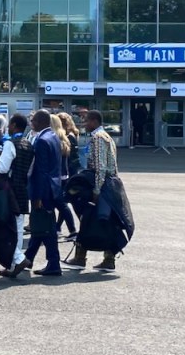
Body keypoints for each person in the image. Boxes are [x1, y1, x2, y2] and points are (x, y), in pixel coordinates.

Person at [64, 108, 122, 271]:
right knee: (107, 222)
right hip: (110, 185)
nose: (84, 124)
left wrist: (96, 190)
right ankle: (109, 259)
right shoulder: (107, 137)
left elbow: (100, 166)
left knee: (88, 219)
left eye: (87, 120)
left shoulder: (98, 138)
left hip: (100, 186)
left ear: (95, 121)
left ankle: (80, 258)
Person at [23, 109, 63, 276]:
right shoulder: (53, 137)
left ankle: (53, 263)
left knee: (46, 228)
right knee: (41, 225)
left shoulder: (41, 140)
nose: (31, 124)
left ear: (40, 122)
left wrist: (38, 196)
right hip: (53, 187)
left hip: (44, 190)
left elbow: (41, 171)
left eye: (33, 121)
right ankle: (28, 259)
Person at [0, 113, 34, 278]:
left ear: (14, 125)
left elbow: (3, 168)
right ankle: (13, 265)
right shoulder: (29, 144)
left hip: (9, 191)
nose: (8, 128)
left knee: (4, 228)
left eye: (10, 125)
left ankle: (19, 259)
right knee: (18, 228)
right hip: (22, 190)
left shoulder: (10, 144)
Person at [52, 114, 77, 240]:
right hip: (64, 175)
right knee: (62, 203)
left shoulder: (64, 138)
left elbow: (71, 159)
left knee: (61, 203)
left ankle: (71, 230)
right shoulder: (64, 138)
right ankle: (59, 228)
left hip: (63, 176)